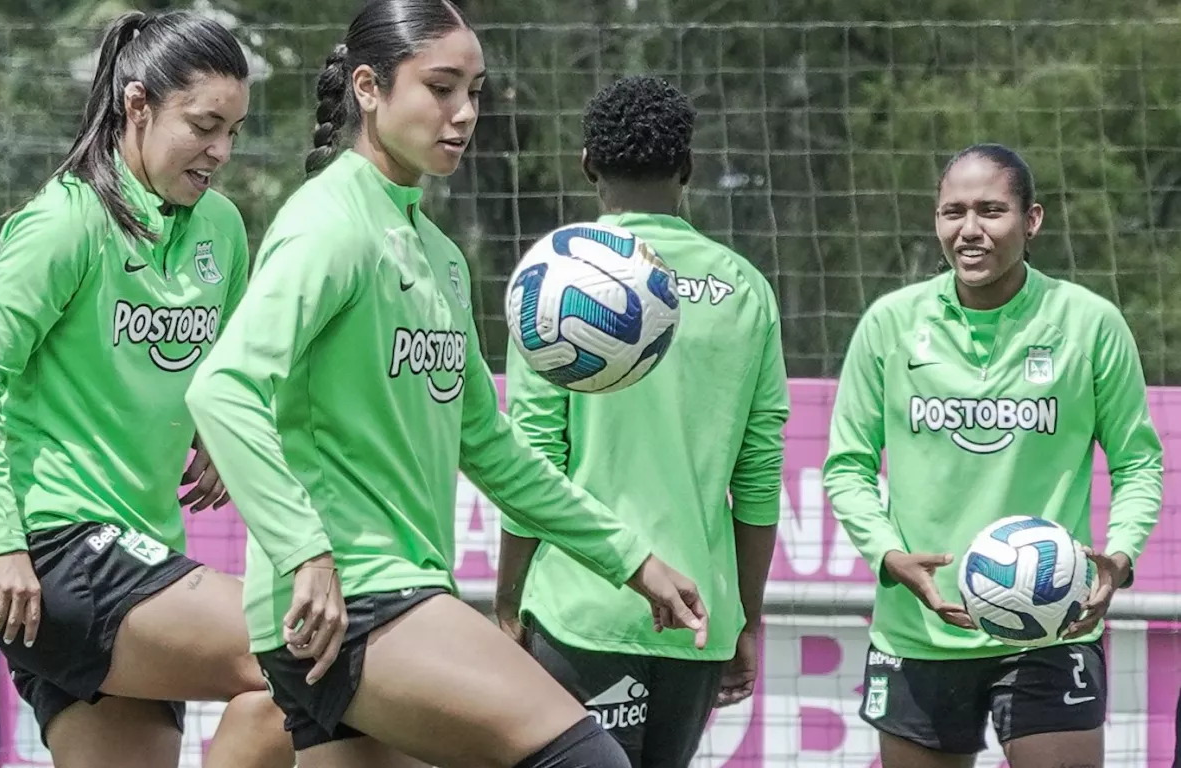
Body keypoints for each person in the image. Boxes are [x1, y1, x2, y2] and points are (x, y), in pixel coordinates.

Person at [183, 2, 711, 767]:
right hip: (355, 601)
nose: (464, 114)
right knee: (587, 759)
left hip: (373, 604)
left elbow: (489, 445)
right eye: (440, 87)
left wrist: (630, 558)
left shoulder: (437, 252)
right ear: (369, 88)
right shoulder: (329, 224)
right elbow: (222, 390)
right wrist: (306, 554)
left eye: (476, 91)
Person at [0, 11, 294, 768]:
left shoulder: (222, 230)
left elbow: (227, 377)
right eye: (204, 125)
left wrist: (220, 439)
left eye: (234, 129)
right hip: (55, 555)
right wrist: (0, 540)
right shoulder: (65, 224)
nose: (222, 151)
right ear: (137, 105)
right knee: (306, 654)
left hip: (145, 555)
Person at [822, 143, 1163, 768]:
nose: (969, 230)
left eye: (990, 210)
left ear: (1031, 220)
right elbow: (846, 467)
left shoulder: (1089, 323)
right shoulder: (890, 324)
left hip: (1052, 625)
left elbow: (1138, 462)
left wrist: (1118, 558)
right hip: (921, 629)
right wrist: (889, 555)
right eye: (953, 212)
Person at [493, 75, 788, 768]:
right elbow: (758, 475)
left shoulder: (556, 279)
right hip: (695, 619)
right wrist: (743, 615)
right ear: (686, 168)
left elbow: (534, 460)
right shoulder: (745, 287)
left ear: (588, 162)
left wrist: (509, 599)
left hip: (580, 610)